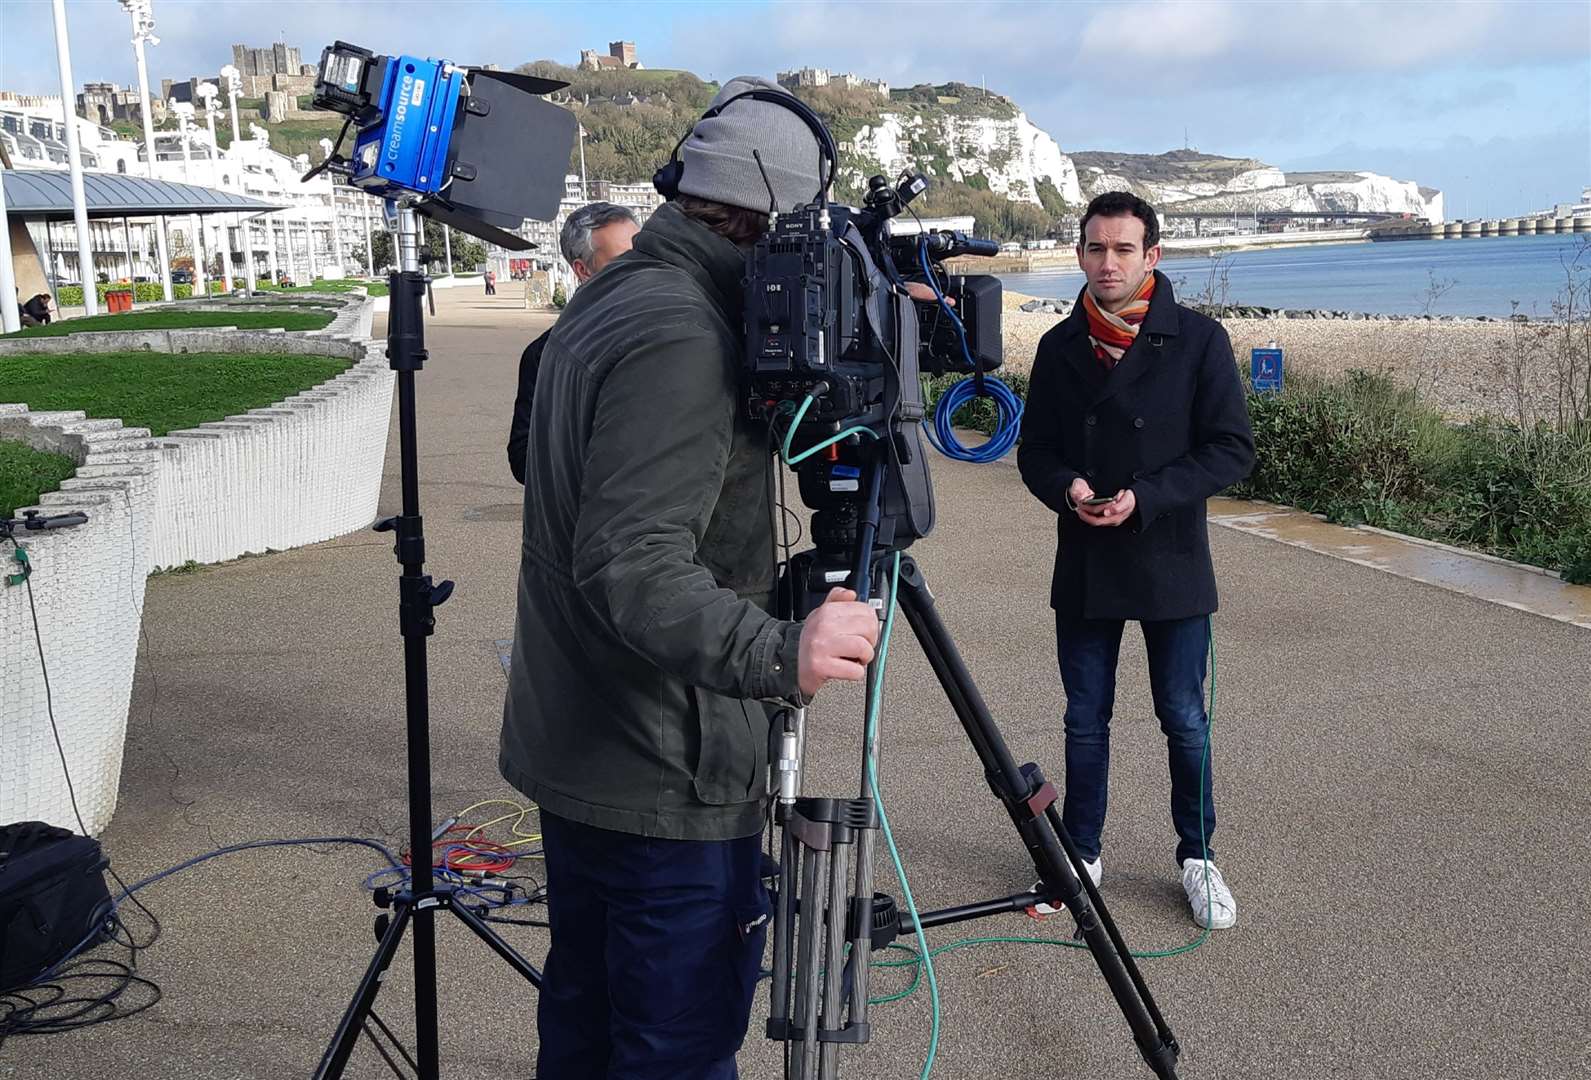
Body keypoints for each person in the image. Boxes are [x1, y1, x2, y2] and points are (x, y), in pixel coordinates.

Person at [500, 77, 881, 1079]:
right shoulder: (681, 335)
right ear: (775, 221)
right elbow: (631, 562)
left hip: (596, 751)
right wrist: (778, 649)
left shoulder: (624, 293)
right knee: (673, 1052)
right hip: (662, 771)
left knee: (587, 1032)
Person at [1017, 191, 1255, 930]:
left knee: (1183, 718)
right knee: (1085, 719)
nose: (1107, 262)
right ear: (1080, 254)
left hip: (1169, 556)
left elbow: (1230, 449)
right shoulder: (1059, 346)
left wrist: (1143, 498)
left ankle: (1198, 856)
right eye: (1095, 248)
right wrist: (1070, 487)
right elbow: (1036, 453)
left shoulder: (1198, 339)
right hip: (1085, 556)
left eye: (1123, 249)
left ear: (1151, 255)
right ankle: (1081, 853)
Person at [505, 201, 640, 484]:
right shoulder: (544, 354)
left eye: (642, 254)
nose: (639, 268)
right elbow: (523, 458)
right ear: (583, 270)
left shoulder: (674, 328)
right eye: (623, 260)